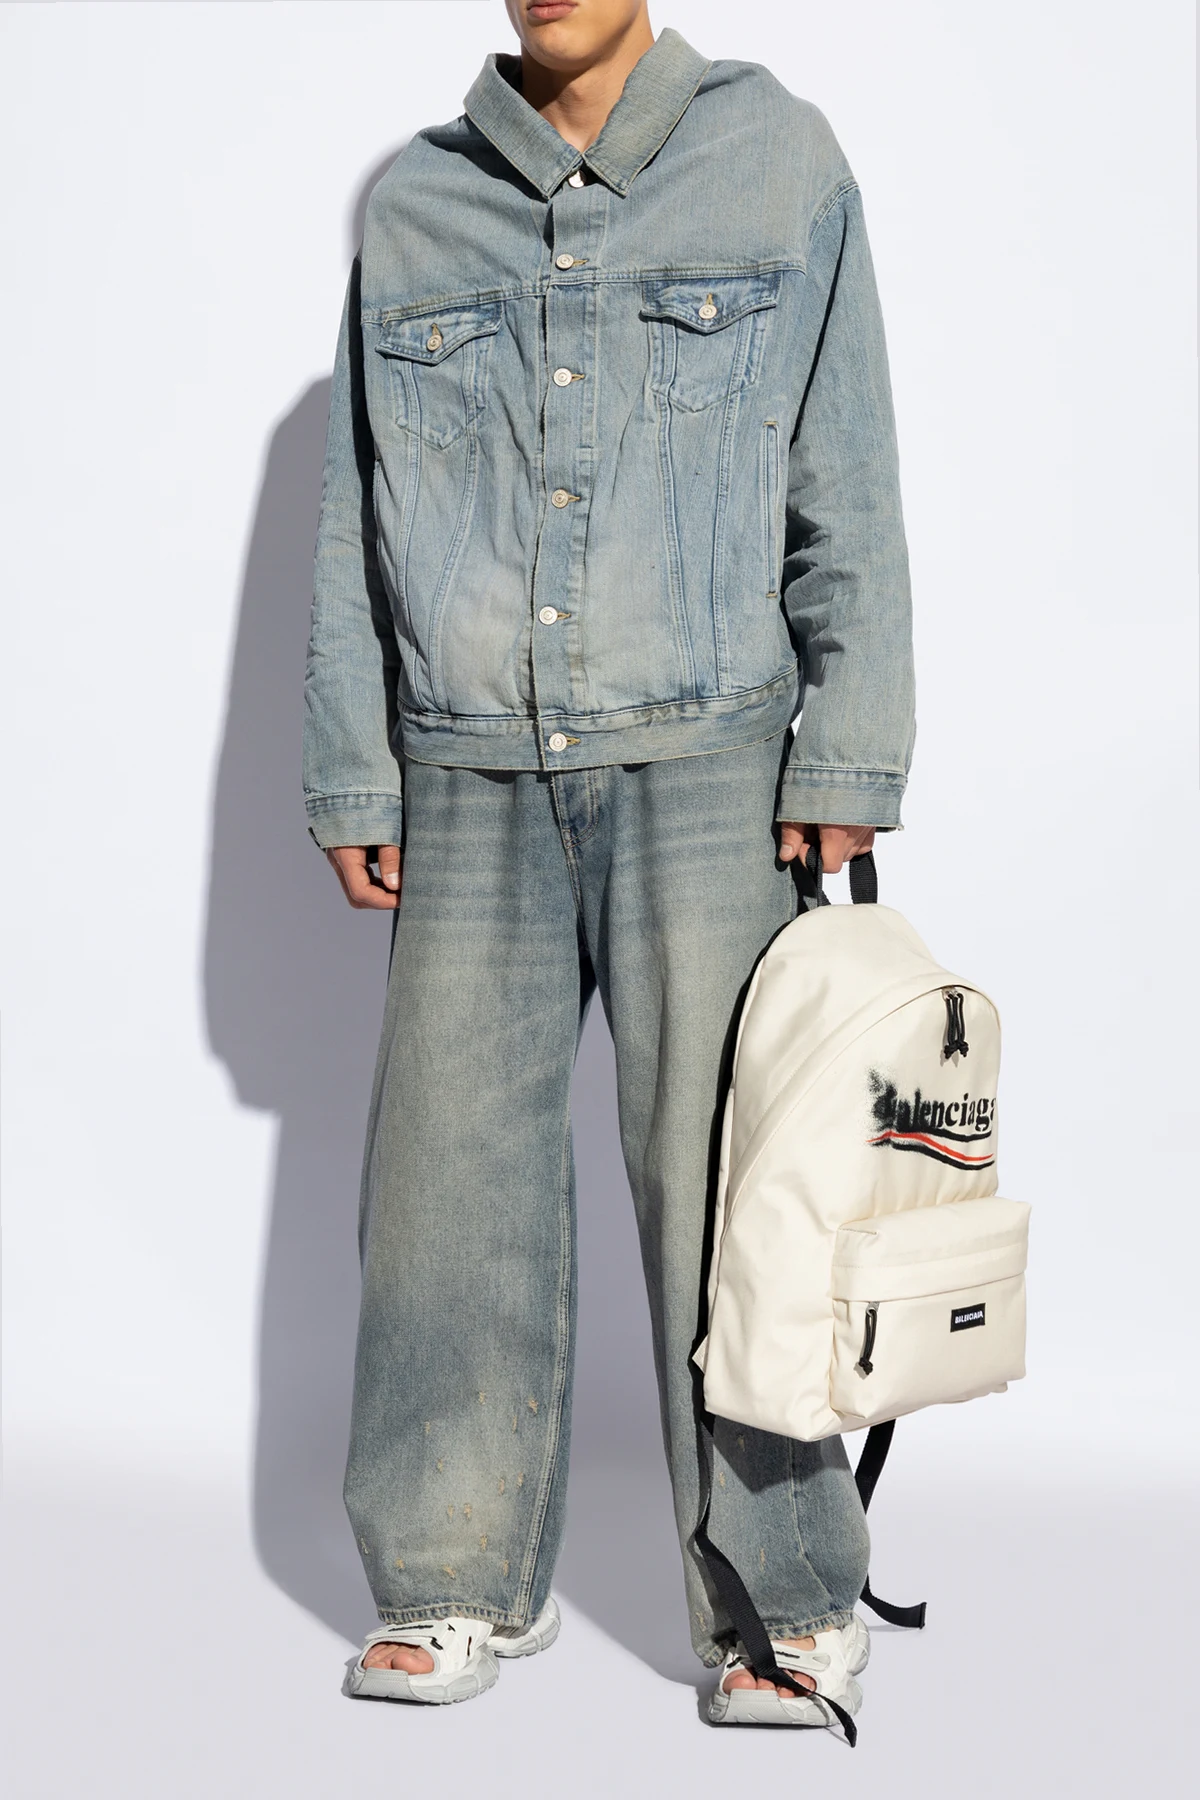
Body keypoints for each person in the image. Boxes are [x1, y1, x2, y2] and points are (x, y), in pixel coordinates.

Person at [303, 0, 915, 1729]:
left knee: (736, 1195)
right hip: (469, 766)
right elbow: (356, 514)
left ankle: (781, 1597)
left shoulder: (776, 158)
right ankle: (448, 1576)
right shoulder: (417, 203)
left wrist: (849, 747)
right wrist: (355, 763)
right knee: (445, 1197)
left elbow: (847, 470)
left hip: (713, 765)